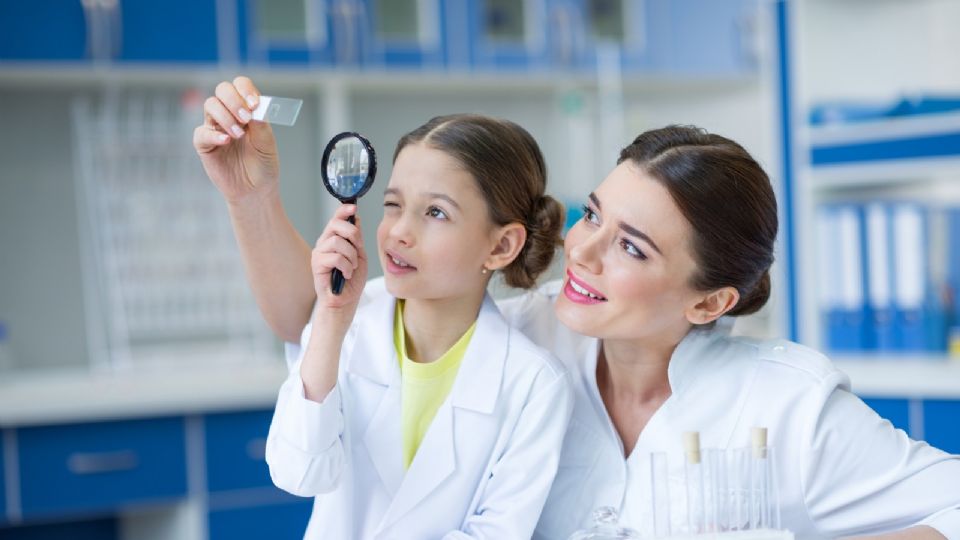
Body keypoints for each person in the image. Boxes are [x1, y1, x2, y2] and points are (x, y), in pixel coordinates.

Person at [198, 77, 960, 539]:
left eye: (632, 247)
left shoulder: (786, 403)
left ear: (712, 301)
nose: (583, 251)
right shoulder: (528, 334)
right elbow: (317, 320)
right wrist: (251, 195)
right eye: (593, 214)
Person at [194, 77, 573, 539]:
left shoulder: (534, 384)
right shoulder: (348, 322)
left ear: (501, 245)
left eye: (436, 213)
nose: (398, 232)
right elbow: (298, 472)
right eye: (393, 205)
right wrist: (332, 319)